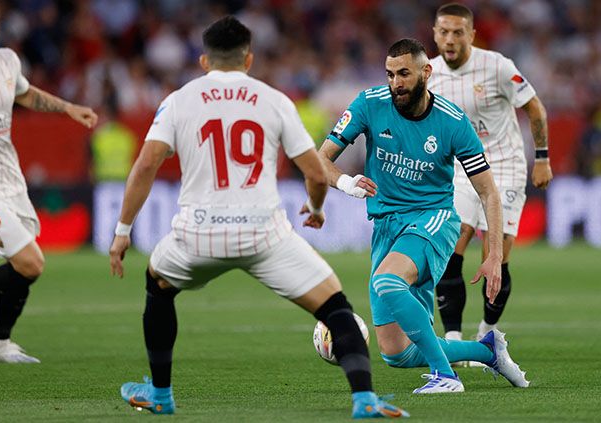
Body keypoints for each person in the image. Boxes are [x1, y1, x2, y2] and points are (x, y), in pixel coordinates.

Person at [108, 16, 407, 418]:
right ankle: (365, 399)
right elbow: (316, 172)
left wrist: (123, 230)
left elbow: (145, 167)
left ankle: (160, 394)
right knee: (336, 307)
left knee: (158, 284)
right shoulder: (273, 100)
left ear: (202, 61)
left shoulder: (178, 100)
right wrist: (317, 209)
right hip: (263, 234)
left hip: (198, 233)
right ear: (249, 59)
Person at [317, 38, 529, 394]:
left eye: (403, 73)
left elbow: (488, 190)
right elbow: (320, 158)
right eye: (390, 74)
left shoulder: (452, 122)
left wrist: (493, 254)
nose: (396, 82)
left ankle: (446, 376)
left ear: (425, 72)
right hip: (387, 227)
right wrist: (344, 181)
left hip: (433, 220)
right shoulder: (370, 104)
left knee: (387, 281)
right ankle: (486, 351)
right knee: (395, 352)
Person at [0, 0, 97, 364]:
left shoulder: (9, 61)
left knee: (23, 266)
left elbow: (25, 94)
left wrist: (67, 108)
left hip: (10, 180)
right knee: (32, 263)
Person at [429, 3, 553, 351]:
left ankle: (487, 331)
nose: (450, 39)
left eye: (457, 32)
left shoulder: (497, 66)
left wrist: (541, 158)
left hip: (504, 165)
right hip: (458, 168)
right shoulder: (428, 73)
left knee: (495, 253)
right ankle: (453, 339)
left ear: (471, 34)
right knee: (449, 246)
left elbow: (535, 108)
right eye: (443, 32)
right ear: (435, 34)